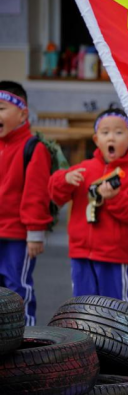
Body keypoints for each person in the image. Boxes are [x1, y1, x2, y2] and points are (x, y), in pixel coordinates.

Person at [49, 108, 128, 303]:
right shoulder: (84, 169)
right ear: (96, 140)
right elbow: (55, 194)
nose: (111, 137)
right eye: (105, 133)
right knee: (83, 308)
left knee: (118, 310)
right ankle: (88, 336)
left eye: (119, 132)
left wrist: (115, 198)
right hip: (80, 253)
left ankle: (119, 336)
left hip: (115, 256)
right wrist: (65, 179)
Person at [0, 81, 52, 325]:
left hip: (18, 236)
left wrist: (35, 233)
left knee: (17, 288)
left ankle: (24, 340)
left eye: (1, 108)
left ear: (22, 113)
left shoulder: (33, 148)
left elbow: (36, 194)